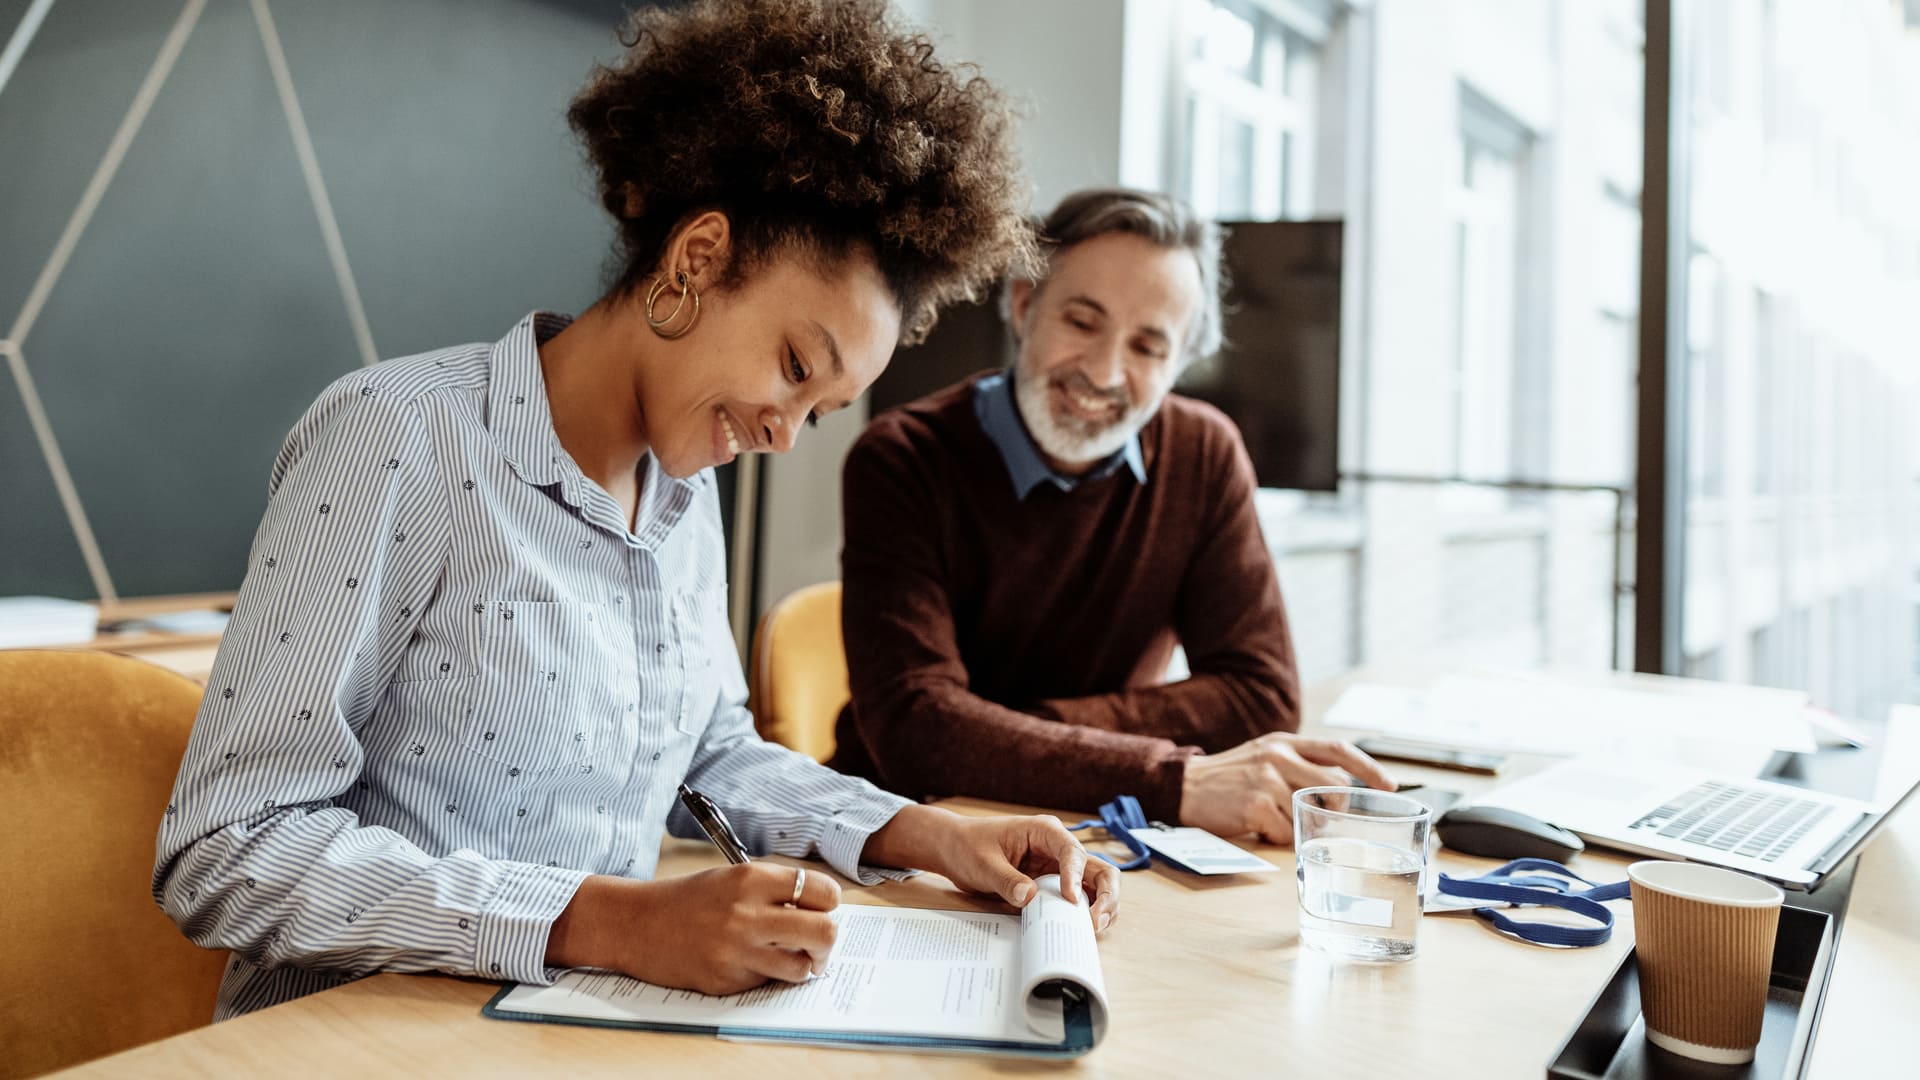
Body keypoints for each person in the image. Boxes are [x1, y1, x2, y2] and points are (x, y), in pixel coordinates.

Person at [154, 0, 1116, 1021]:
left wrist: (926, 835)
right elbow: (226, 847)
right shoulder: (402, 438)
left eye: (820, 411)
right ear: (698, 258)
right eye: (796, 367)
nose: (785, 433)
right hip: (356, 1039)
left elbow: (710, 755)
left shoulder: (683, 494)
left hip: (572, 1030)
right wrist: (613, 922)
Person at [831, 188, 1395, 844]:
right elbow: (916, 732)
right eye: (1082, 322)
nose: (1103, 372)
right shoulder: (902, 458)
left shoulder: (1203, 453)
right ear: (1024, 305)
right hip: (911, 835)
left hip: (1099, 831)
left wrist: (997, 729)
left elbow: (1260, 699)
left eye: (1148, 347)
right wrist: (1167, 777)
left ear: (1179, 365)